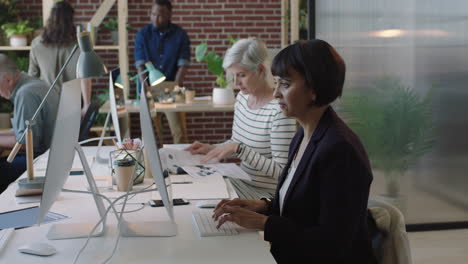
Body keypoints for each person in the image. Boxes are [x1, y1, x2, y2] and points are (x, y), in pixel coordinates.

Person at [212, 40, 377, 264]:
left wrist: (264, 223)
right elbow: (303, 209)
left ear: (314, 89)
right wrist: (263, 207)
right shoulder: (303, 135)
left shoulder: (340, 150)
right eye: (277, 82)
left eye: (286, 84)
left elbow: (332, 242)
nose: (277, 93)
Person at [185, 38, 297, 194]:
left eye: (241, 75)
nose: (236, 82)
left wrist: (240, 149)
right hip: (241, 184)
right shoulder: (242, 99)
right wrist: (212, 149)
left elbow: (283, 172)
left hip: (265, 196)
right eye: (233, 75)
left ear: (260, 70)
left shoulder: (279, 112)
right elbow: (236, 142)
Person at [0, 54, 59, 194]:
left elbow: (28, 143)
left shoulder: (26, 94)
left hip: (43, 160)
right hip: (52, 155)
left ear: (7, 79)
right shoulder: (33, 84)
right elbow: (22, 131)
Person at [134, 0, 190, 144]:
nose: (155, 19)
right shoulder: (143, 35)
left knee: (177, 131)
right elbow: (140, 66)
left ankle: (179, 162)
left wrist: (175, 87)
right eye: (153, 14)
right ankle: (154, 162)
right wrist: (146, 89)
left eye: (160, 15)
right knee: (151, 131)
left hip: (171, 88)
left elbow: (182, 66)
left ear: (169, 15)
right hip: (148, 89)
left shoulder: (180, 35)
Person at [28, 1, 92, 117]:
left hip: (45, 103)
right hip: (72, 103)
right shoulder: (80, 44)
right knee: (71, 135)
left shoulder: (36, 44)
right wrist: (87, 104)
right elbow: (85, 77)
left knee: (47, 135)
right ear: (71, 19)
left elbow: (32, 78)